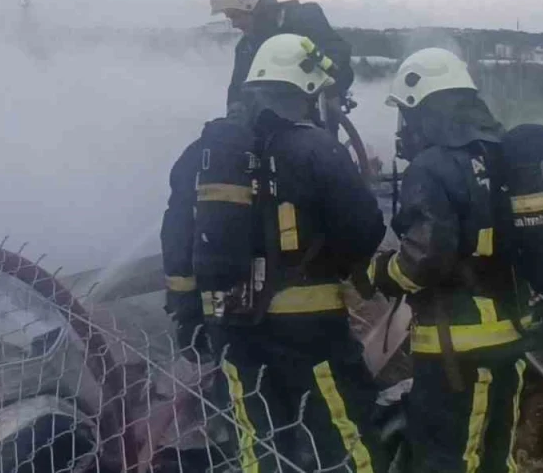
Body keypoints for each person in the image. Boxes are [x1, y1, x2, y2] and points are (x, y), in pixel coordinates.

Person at [162, 32, 385, 473]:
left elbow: (178, 232)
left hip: (229, 324)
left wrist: (187, 310)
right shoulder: (316, 147)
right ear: (307, 90)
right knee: (342, 432)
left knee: (258, 442)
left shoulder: (205, 152)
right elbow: (365, 230)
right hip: (309, 328)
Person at [357, 48, 543, 473]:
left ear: (421, 107)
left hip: (455, 349)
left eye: (406, 113)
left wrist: (382, 273)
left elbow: (426, 257)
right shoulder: (503, 154)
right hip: (513, 337)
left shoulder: (433, 166)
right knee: (495, 454)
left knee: (447, 458)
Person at [210, 0, 354, 120]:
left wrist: (330, 89)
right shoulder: (246, 48)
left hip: (312, 119)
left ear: (252, 6)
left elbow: (339, 58)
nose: (234, 24)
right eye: (230, 18)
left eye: (235, 16)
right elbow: (237, 91)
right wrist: (234, 116)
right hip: (266, 124)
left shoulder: (304, 18)